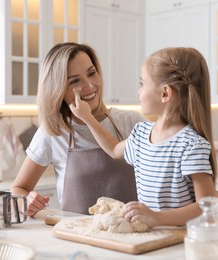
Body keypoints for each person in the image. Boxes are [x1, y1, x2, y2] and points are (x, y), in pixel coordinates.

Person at [69, 47, 218, 235]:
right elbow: (114, 149)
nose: (138, 91)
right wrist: (87, 118)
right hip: (149, 236)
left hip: (180, 241)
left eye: (142, 83)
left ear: (165, 93)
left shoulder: (191, 145)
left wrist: (156, 218)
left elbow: (206, 201)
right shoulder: (140, 134)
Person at [10, 42, 146, 215]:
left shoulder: (131, 122)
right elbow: (18, 189)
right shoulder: (53, 132)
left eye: (91, 73)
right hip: (77, 238)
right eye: (75, 81)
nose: (89, 85)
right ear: (57, 90)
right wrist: (25, 201)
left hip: (130, 237)